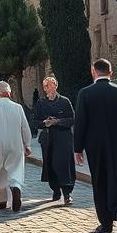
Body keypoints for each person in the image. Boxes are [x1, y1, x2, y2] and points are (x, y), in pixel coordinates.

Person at [72, 58, 117, 233]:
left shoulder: (85, 93)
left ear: (94, 71)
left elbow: (80, 123)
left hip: (95, 146)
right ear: (111, 72)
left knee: (100, 181)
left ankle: (106, 223)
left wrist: (78, 148)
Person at [0, 81, 31, 212]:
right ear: (9, 93)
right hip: (15, 143)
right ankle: (15, 187)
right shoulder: (18, 107)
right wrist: (28, 144)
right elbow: (25, 127)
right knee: (15, 168)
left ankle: (2, 201)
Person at [34, 75, 77, 204]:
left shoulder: (64, 101)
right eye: (45, 85)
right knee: (50, 165)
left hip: (63, 139)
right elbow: (35, 122)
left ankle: (67, 193)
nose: (47, 87)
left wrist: (57, 121)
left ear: (56, 85)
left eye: (50, 84)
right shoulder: (41, 103)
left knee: (64, 165)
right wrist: (44, 123)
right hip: (48, 140)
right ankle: (55, 190)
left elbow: (72, 119)